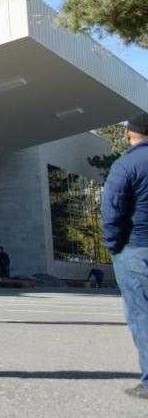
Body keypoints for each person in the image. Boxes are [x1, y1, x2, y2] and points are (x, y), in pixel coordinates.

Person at [102, 112, 148, 400]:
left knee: (142, 315)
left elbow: (112, 209)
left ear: (128, 134)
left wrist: (113, 244)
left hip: (135, 249)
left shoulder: (125, 164)